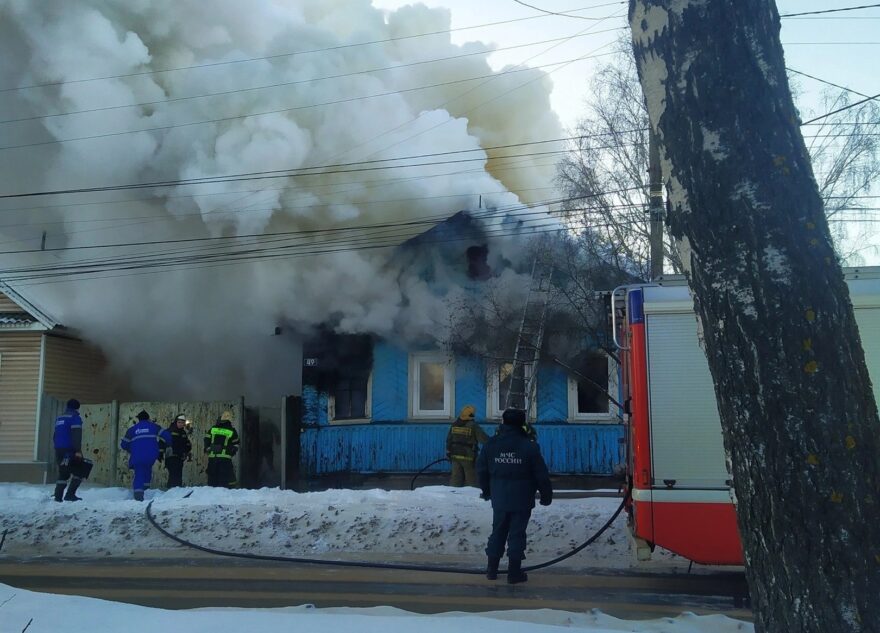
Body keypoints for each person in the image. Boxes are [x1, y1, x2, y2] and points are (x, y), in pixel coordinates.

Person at [477, 408, 553, 585]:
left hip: (500, 496)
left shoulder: (491, 444)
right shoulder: (529, 446)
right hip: (522, 497)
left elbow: (481, 470)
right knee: (517, 534)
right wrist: (546, 495)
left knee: (498, 530)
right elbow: (541, 474)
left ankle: (492, 570)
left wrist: (487, 491)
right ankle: (514, 572)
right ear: (522, 424)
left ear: (503, 422)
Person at [120, 410, 162, 501]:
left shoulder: (132, 429)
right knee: (147, 472)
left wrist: (132, 449)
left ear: (138, 419)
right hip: (151, 457)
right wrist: (166, 446)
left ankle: (138, 495)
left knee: (139, 474)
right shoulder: (154, 426)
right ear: (148, 418)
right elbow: (166, 435)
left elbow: (123, 444)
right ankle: (146, 492)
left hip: (137, 457)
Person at [445, 404, 488, 487]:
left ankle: (453, 496)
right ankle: (471, 497)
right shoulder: (473, 425)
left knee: (456, 479)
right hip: (468, 456)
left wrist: (448, 452)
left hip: (454, 455)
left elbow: (448, 440)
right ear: (471, 415)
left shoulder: (455, 424)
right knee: (471, 480)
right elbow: (484, 439)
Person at [52, 398, 85, 502]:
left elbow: (55, 435)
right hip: (69, 450)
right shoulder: (75, 418)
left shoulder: (59, 418)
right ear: (77, 407)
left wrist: (57, 447)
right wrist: (78, 451)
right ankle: (70, 495)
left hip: (58, 449)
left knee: (63, 472)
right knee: (81, 470)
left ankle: (58, 497)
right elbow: (76, 436)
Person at [204, 410, 240, 488]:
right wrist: (231, 452)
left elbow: (206, 440)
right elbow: (236, 444)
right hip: (225, 459)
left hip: (213, 458)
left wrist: (208, 449)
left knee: (212, 480)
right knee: (224, 480)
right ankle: (224, 496)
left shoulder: (213, 429)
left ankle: (211, 496)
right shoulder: (232, 431)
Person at [158, 414, 192, 488]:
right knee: (174, 475)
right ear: (176, 422)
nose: (181, 424)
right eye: (179, 422)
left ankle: (175, 491)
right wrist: (160, 453)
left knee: (178, 475)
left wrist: (187, 449)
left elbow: (186, 444)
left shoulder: (183, 433)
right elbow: (161, 442)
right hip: (171, 456)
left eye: (182, 423)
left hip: (179, 457)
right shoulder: (169, 431)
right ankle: (172, 491)